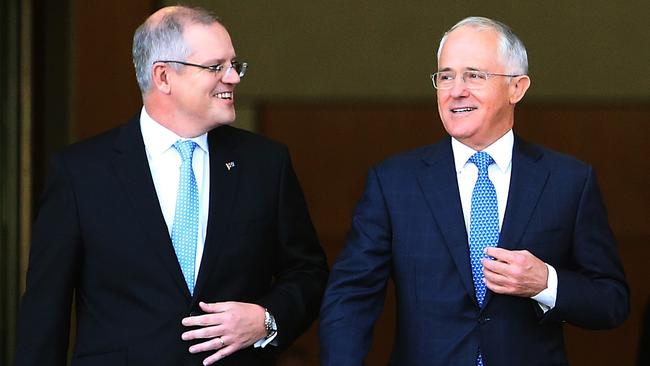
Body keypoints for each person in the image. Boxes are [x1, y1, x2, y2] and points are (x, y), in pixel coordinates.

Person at [15, 5, 328, 366]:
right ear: (163, 76)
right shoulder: (81, 173)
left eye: (234, 64)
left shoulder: (265, 163)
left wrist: (266, 319)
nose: (234, 77)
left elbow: (308, 272)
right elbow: (45, 311)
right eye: (216, 67)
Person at [319, 16, 629, 365]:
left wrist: (546, 283)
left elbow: (611, 301)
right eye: (446, 76)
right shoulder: (394, 182)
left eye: (474, 75)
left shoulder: (568, 180)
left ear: (517, 87)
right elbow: (351, 297)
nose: (456, 90)